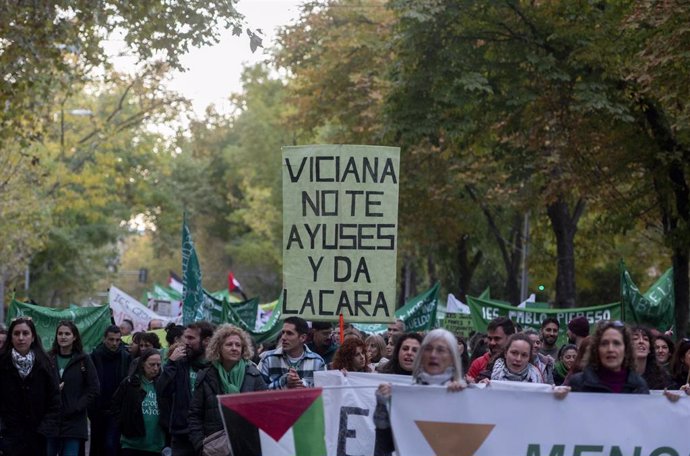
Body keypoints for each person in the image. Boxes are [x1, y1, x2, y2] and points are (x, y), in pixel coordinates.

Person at [374, 329, 465, 456]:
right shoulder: (403, 395)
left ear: (452, 357)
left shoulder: (466, 392)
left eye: (440, 350)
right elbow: (384, 447)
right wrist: (384, 405)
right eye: (428, 349)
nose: (433, 354)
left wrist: (463, 398)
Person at [188, 324, 267, 455]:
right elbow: (195, 415)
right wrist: (200, 445)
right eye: (229, 344)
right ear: (219, 348)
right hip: (215, 448)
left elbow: (265, 413)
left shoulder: (254, 376)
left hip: (247, 447)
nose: (234, 348)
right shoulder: (206, 376)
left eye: (238, 345)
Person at [0, 317, 61, 456]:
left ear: (33, 337)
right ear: (11, 337)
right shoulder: (2, 363)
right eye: (16, 333)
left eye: (25, 333)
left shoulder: (45, 364)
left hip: (38, 437)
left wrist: (44, 429)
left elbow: (55, 400)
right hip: (9, 437)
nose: (21, 338)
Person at [156, 321, 214, 456]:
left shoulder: (215, 367)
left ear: (206, 341)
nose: (186, 342)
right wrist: (170, 363)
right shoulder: (179, 363)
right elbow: (162, 390)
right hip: (182, 435)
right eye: (185, 337)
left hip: (208, 437)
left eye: (191, 338)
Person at [47, 320, 100, 456]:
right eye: (60, 333)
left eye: (67, 333)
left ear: (74, 337)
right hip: (51, 421)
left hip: (74, 422)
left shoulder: (84, 360)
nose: (63, 337)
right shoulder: (48, 358)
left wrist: (77, 406)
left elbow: (94, 388)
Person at [566, 321, 649, 394]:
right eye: (604, 343)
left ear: (626, 349)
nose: (610, 349)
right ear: (596, 349)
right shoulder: (578, 383)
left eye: (616, 343)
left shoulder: (639, 386)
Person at [112, 349, 166, 456]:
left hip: (155, 444)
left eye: (158, 365)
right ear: (142, 364)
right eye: (152, 364)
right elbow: (115, 405)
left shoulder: (162, 384)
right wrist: (124, 424)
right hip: (131, 444)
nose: (155, 368)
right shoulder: (130, 383)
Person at [90, 325, 132, 456]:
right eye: (111, 339)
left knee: (111, 445)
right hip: (98, 409)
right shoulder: (95, 357)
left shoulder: (125, 357)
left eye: (117, 340)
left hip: (116, 411)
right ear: (104, 339)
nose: (114, 343)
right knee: (98, 445)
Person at [258, 316, 326, 389]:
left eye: (289, 333)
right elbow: (258, 392)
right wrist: (283, 382)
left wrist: (302, 385)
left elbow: (324, 393)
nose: (283, 337)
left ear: (302, 338)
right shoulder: (268, 359)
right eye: (283, 332)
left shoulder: (317, 362)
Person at [466, 317, 515, 382]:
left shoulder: (522, 364)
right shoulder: (478, 364)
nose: (492, 343)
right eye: (490, 338)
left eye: (497, 338)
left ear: (510, 338)